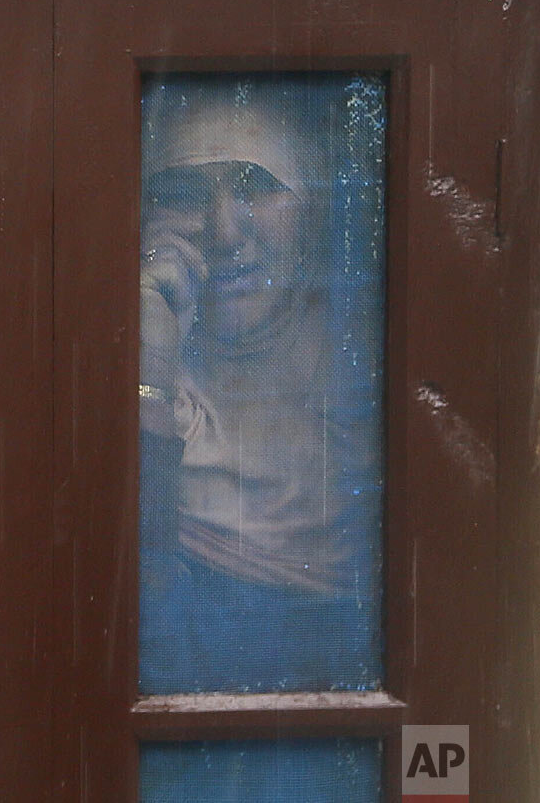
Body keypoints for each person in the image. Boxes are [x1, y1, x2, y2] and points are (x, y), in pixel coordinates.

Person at [136, 79, 384, 695]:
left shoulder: (369, 365)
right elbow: (132, 601)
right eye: (185, 194)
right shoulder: (151, 369)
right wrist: (150, 373)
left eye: (257, 186)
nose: (224, 231)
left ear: (315, 204)